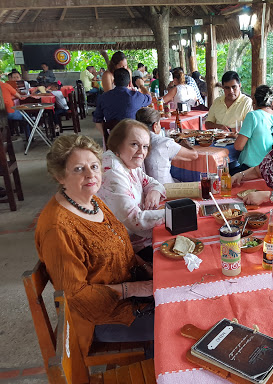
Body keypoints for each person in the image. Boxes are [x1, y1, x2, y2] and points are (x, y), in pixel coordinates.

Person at [35, 134, 154, 362]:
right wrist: (135, 289)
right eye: (79, 169)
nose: (90, 175)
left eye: (94, 166)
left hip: (125, 294)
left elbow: (121, 247)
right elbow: (76, 295)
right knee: (173, 323)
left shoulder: (92, 201)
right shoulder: (58, 229)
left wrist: (146, 268)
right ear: (60, 176)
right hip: (99, 318)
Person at [98, 119, 166, 256]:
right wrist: (175, 213)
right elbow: (134, 220)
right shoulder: (112, 170)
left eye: (145, 146)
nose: (141, 151)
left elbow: (152, 182)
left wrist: (155, 191)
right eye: (135, 144)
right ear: (118, 144)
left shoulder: (127, 162)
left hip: (138, 238)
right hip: (127, 250)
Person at [135, 108, 198, 184]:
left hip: (141, 188)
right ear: (155, 126)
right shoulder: (164, 143)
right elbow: (194, 155)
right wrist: (183, 141)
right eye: (159, 124)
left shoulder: (132, 141)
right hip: (164, 189)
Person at [93, 68, 151, 137]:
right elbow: (149, 98)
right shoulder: (136, 96)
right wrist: (141, 86)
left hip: (113, 138)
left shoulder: (103, 97)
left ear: (114, 82)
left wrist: (106, 136)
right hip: (133, 137)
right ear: (129, 83)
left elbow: (97, 120)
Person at [233, 85, 273, 174]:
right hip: (269, 169)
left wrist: (238, 137)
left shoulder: (253, 116)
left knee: (225, 173)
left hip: (251, 169)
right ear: (272, 103)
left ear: (254, 101)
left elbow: (238, 146)